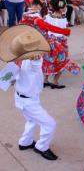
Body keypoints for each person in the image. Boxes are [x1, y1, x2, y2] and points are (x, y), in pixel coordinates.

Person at [0, 26, 58, 160]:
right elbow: (35, 66)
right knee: (50, 124)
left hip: (22, 98)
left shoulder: (20, 61)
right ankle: (41, 147)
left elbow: (13, 78)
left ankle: (25, 142)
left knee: (31, 120)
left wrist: (13, 80)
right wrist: (36, 59)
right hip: (29, 101)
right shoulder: (34, 62)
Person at [42, 0, 80, 89]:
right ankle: (55, 81)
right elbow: (67, 32)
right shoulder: (63, 18)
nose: (65, 8)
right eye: (64, 7)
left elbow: (43, 29)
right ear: (60, 8)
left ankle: (46, 80)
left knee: (49, 61)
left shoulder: (48, 16)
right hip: (60, 43)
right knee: (61, 61)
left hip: (49, 42)